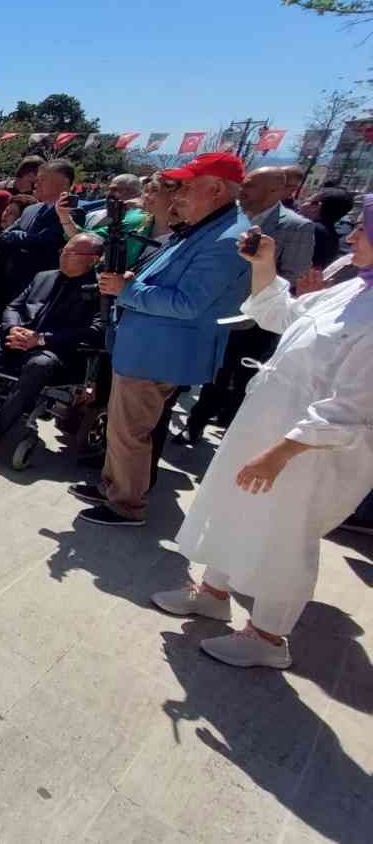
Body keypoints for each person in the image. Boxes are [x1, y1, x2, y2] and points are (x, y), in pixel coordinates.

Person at [149, 211, 373, 669]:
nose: (350, 236)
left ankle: (269, 636)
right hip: (268, 423)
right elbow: (283, 315)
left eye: (363, 230)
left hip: (311, 450)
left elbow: (351, 407)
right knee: (235, 507)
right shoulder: (354, 289)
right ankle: (213, 594)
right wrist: (263, 264)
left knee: (285, 537)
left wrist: (280, 453)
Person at [73, 153, 252, 527]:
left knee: (131, 431)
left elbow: (188, 303)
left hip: (160, 351)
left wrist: (126, 290)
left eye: (188, 186)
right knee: (123, 428)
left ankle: (125, 504)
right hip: (147, 345)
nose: (179, 194)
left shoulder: (225, 239)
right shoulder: (207, 227)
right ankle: (113, 486)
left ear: (216, 189)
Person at [180, 166, 320, 442]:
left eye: (251, 185)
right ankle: (195, 424)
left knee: (244, 378)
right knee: (213, 373)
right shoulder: (228, 217)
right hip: (216, 311)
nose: (243, 189)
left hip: (257, 320)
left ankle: (230, 432)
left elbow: (294, 273)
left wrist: (258, 278)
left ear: (275, 190)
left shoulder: (296, 227)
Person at [0, 234, 104, 448]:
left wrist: (41, 340)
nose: (63, 255)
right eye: (63, 250)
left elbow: (96, 330)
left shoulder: (99, 290)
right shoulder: (43, 277)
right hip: (15, 341)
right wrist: (13, 328)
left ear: (93, 259)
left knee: (39, 364)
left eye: (71, 252)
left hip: (54, 353)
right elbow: (14, 307)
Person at [0, 160, 71, 310]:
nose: (36, 183)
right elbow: (5, 236)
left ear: (64, 183)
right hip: (9, 284)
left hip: (38, 292)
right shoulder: (31, 209)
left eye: (43, 179)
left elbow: (46, 240)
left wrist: (17, 236)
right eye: (37, 179)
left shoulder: (71, 213)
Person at [298, 187, 353, 269]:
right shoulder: (332, 237)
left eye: (308, 200)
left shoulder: (308, 229)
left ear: (316, 206)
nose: (303, 203)